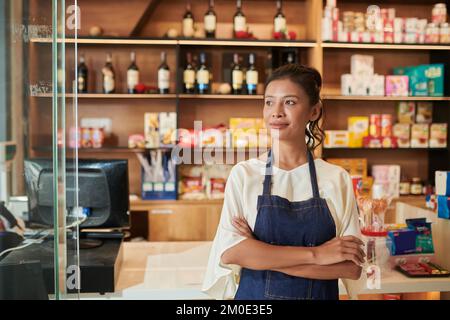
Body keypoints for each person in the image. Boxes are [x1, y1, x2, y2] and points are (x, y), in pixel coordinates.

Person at [202, 64, 365, 300]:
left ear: (314, 111)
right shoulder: (245, 175)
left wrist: (260, 255)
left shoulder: (336, 178)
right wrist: (318, 255)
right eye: (269, 102)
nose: (276, 112)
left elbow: (350, 267)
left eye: (289, 102)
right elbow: (231, 253)